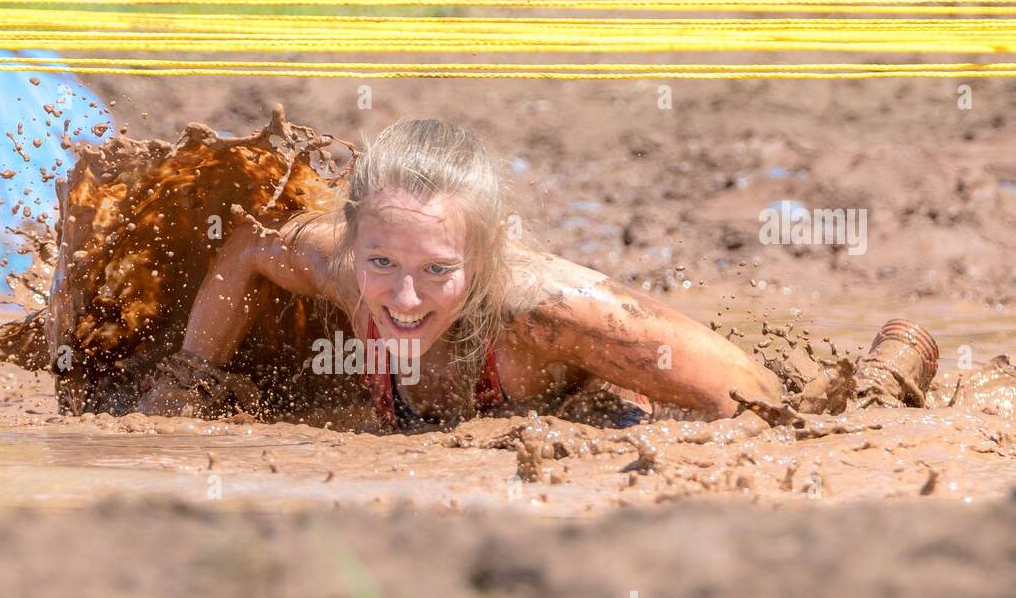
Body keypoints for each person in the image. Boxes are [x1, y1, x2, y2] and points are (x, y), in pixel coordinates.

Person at [138, 117, 788, 429]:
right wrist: (189, 380)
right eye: (382, 262)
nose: (405, 297)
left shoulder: (538, 314)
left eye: (439, 270)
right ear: (355, 244)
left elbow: (750, 389)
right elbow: (248, 249)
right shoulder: (342, 270)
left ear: (484, 260)